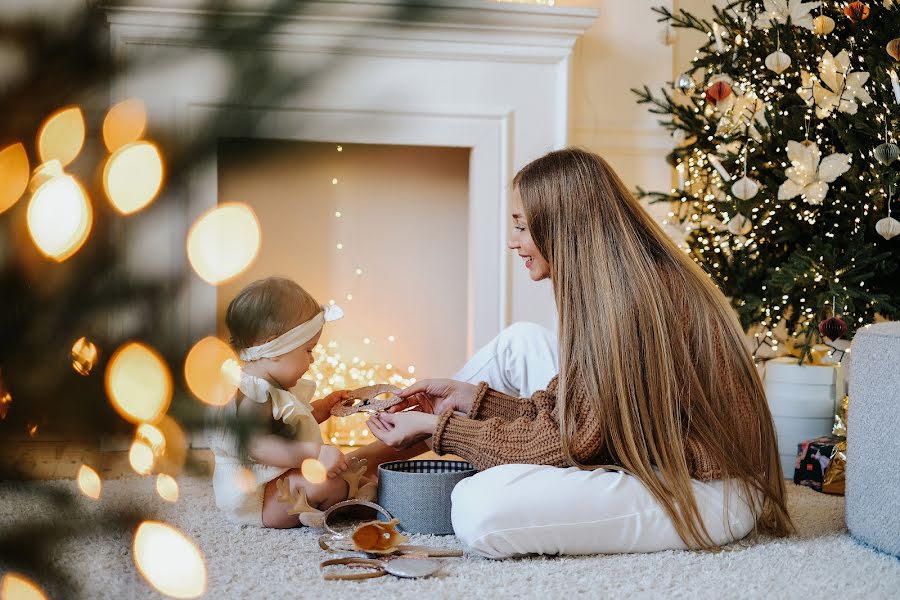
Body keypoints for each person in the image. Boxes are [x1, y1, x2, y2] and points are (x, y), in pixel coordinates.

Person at [366, 148, 793, 558]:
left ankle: (370, 470)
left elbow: (569, 440)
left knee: (478, 506)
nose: (513, 242)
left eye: (520, 225)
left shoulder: (629, 301)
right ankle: (366, 469)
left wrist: (443, 428)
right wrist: (471, 403)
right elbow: (571, 413)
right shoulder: (618, 284)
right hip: (669, 460)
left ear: (561, 225)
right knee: (519, 341)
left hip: (712, 489)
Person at [209, 277, 375, 528]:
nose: (313, 359)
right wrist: (314, 454)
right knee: (327, 482)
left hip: (280, 478)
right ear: (273, 347)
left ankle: (349, 497)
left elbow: (294, 425)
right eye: (308, 350)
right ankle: (324, 505)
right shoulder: (255, 394)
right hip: (260, 494)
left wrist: (324, 407)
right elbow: (256, 445)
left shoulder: (275, 388)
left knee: (352, 472)